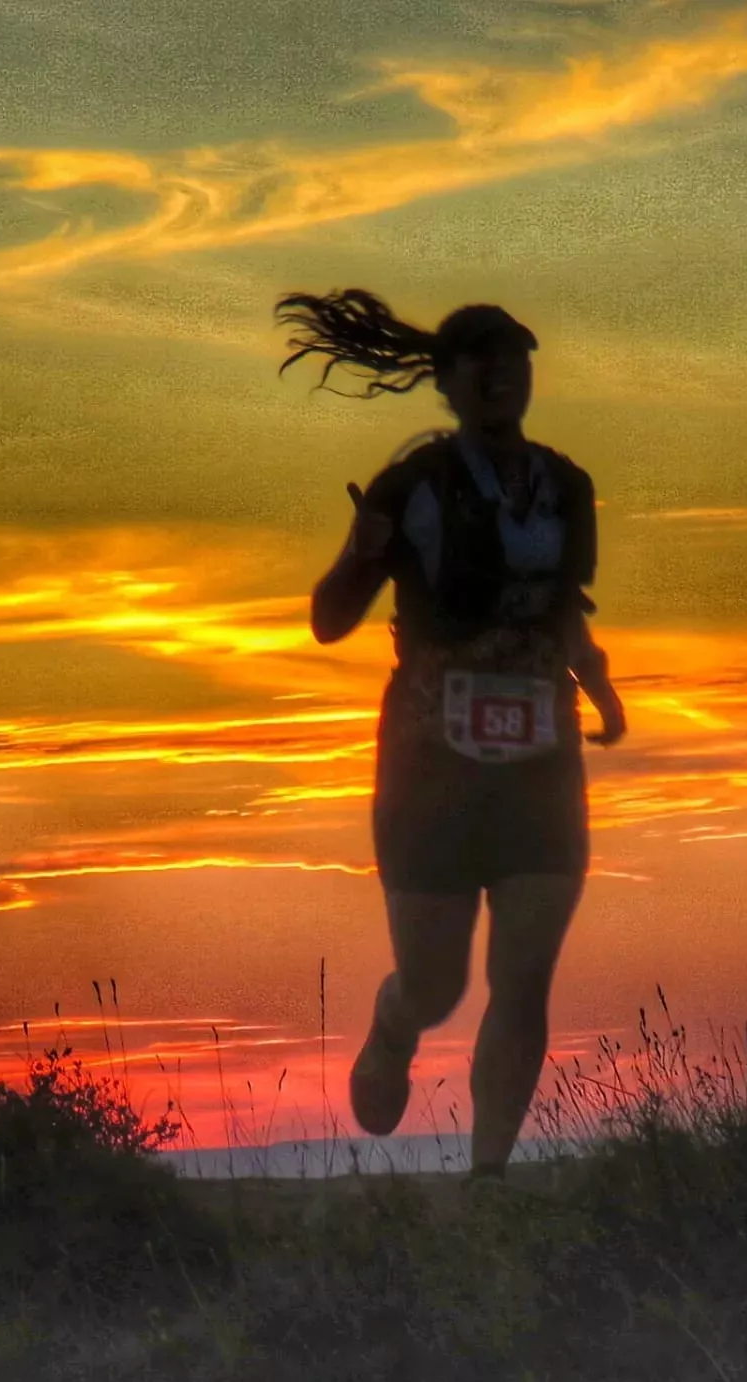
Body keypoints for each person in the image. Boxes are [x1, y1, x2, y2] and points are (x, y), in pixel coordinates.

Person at [274, 287, 626, 1185]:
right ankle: (397, 1025)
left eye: (516, 357)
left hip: (541, 761)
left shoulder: (567, 487)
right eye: (482, 359)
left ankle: (489, 1179)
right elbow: (328, 621)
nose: (503, 373)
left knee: (524, 977)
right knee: (438, 985)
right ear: (447, 380)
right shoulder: (412, 487)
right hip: (431, 765)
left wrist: (598, 684)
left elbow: (565, 611)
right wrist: (363, 550)